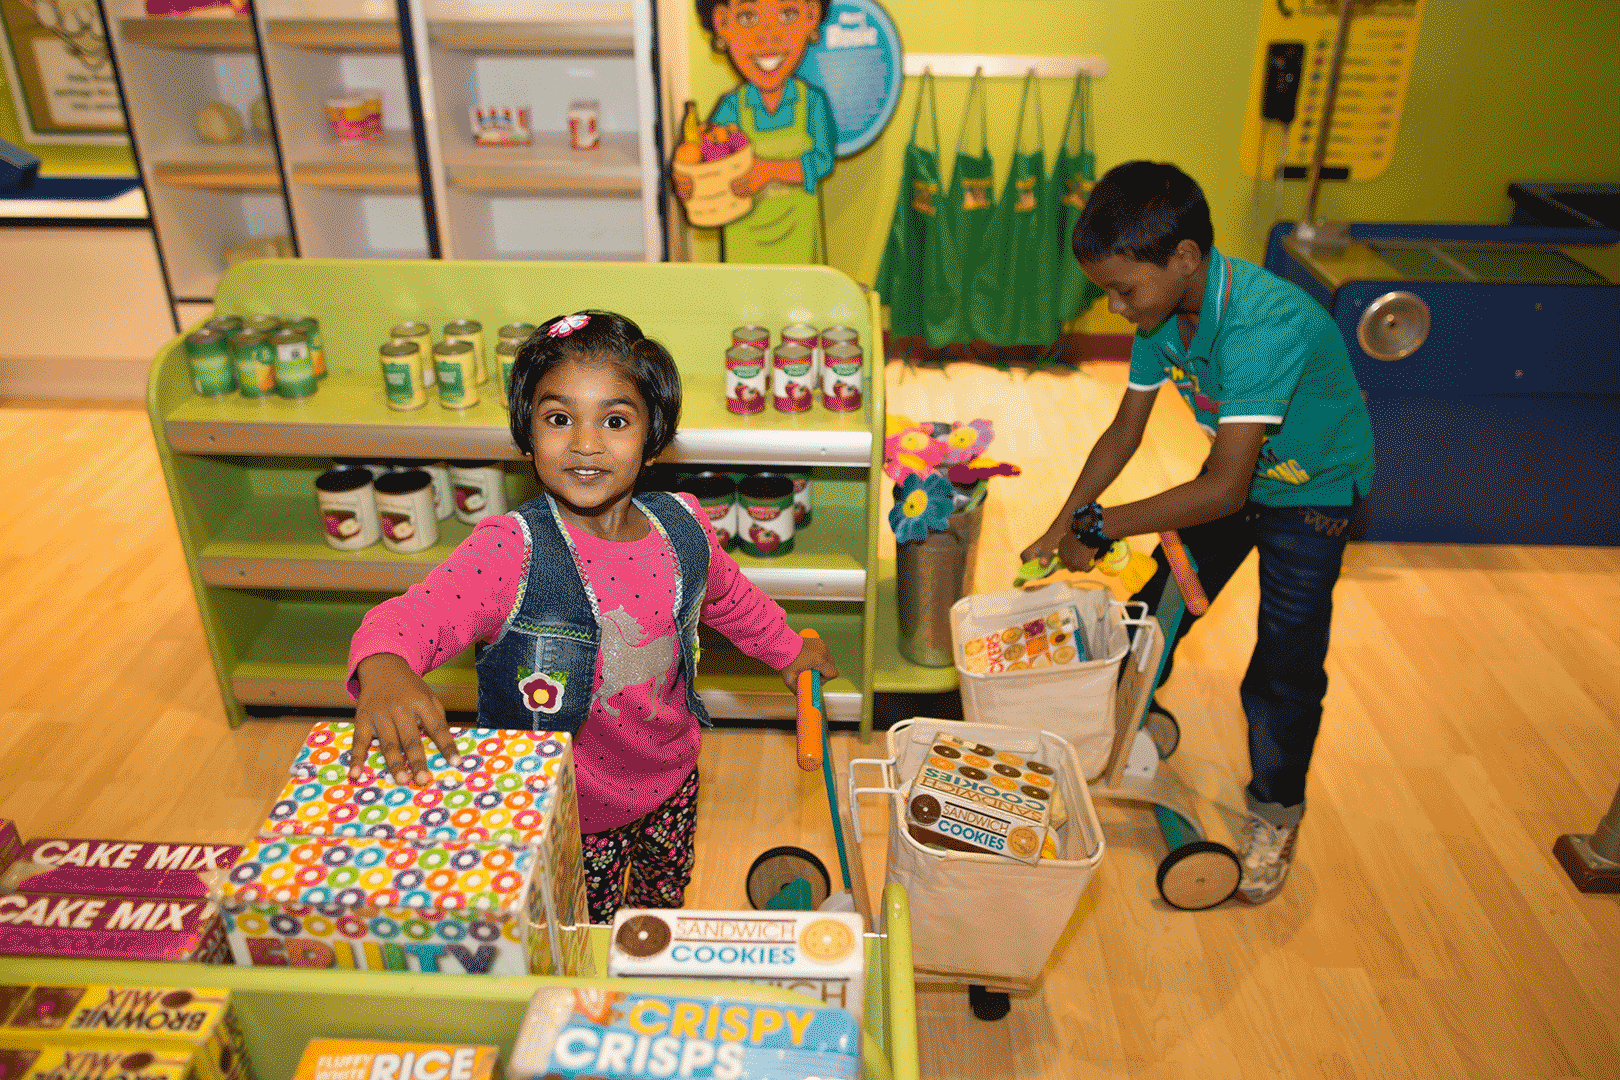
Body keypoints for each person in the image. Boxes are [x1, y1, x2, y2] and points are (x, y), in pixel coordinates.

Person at [346, 311, 837, 922]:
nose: (585, 442)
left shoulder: (685, 525)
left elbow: (731, 600)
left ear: (654, 439)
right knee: (578, 928)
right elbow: (414, 616)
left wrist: (790, 654)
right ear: (526, 436)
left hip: (671, 781)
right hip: (559, 810)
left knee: (656, 913)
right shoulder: (508, 551)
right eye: (558, 419)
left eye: (615, 420)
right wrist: (386, 666)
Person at [1021, 161, 1374, 904]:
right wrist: (1064, 521)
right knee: (1151, 611)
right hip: (1234, 483)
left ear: (1184, 258)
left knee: (1285, 662)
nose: (1115, 308)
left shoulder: (1263, 324)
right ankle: (1114, 734)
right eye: (1107, 290)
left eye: (1124, 289)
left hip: (1310, 497)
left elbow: (1221, 489)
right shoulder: (1161, 314)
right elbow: (1124, 431)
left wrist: (1103, 522)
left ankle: (1276, 814)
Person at [677, 0, 836, 263]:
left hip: (800, 249)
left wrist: (769, 171)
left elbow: (823, 161)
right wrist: (689, 180)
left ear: (811, 15)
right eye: (749, 18)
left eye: (787, 14)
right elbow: (707, 159)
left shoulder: (812, 103)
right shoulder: (732, 109)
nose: (768, 35)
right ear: (722, 23)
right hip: (744, 249)